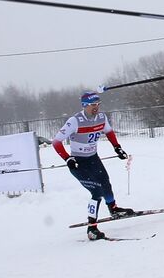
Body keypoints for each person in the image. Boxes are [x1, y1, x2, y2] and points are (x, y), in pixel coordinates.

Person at [53, 91, 134, 240]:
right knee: (96, 192)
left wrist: (117, 147)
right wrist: (68, 159)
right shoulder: (75, 121)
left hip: (93, 158)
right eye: (92, 105)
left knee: (106, 183)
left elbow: (109, 132)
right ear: (84, 105)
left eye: (98, 104)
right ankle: (92, 229)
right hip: (79, 163)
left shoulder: (102, 118)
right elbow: (56, 142)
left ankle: (114, 209)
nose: (96, 107)